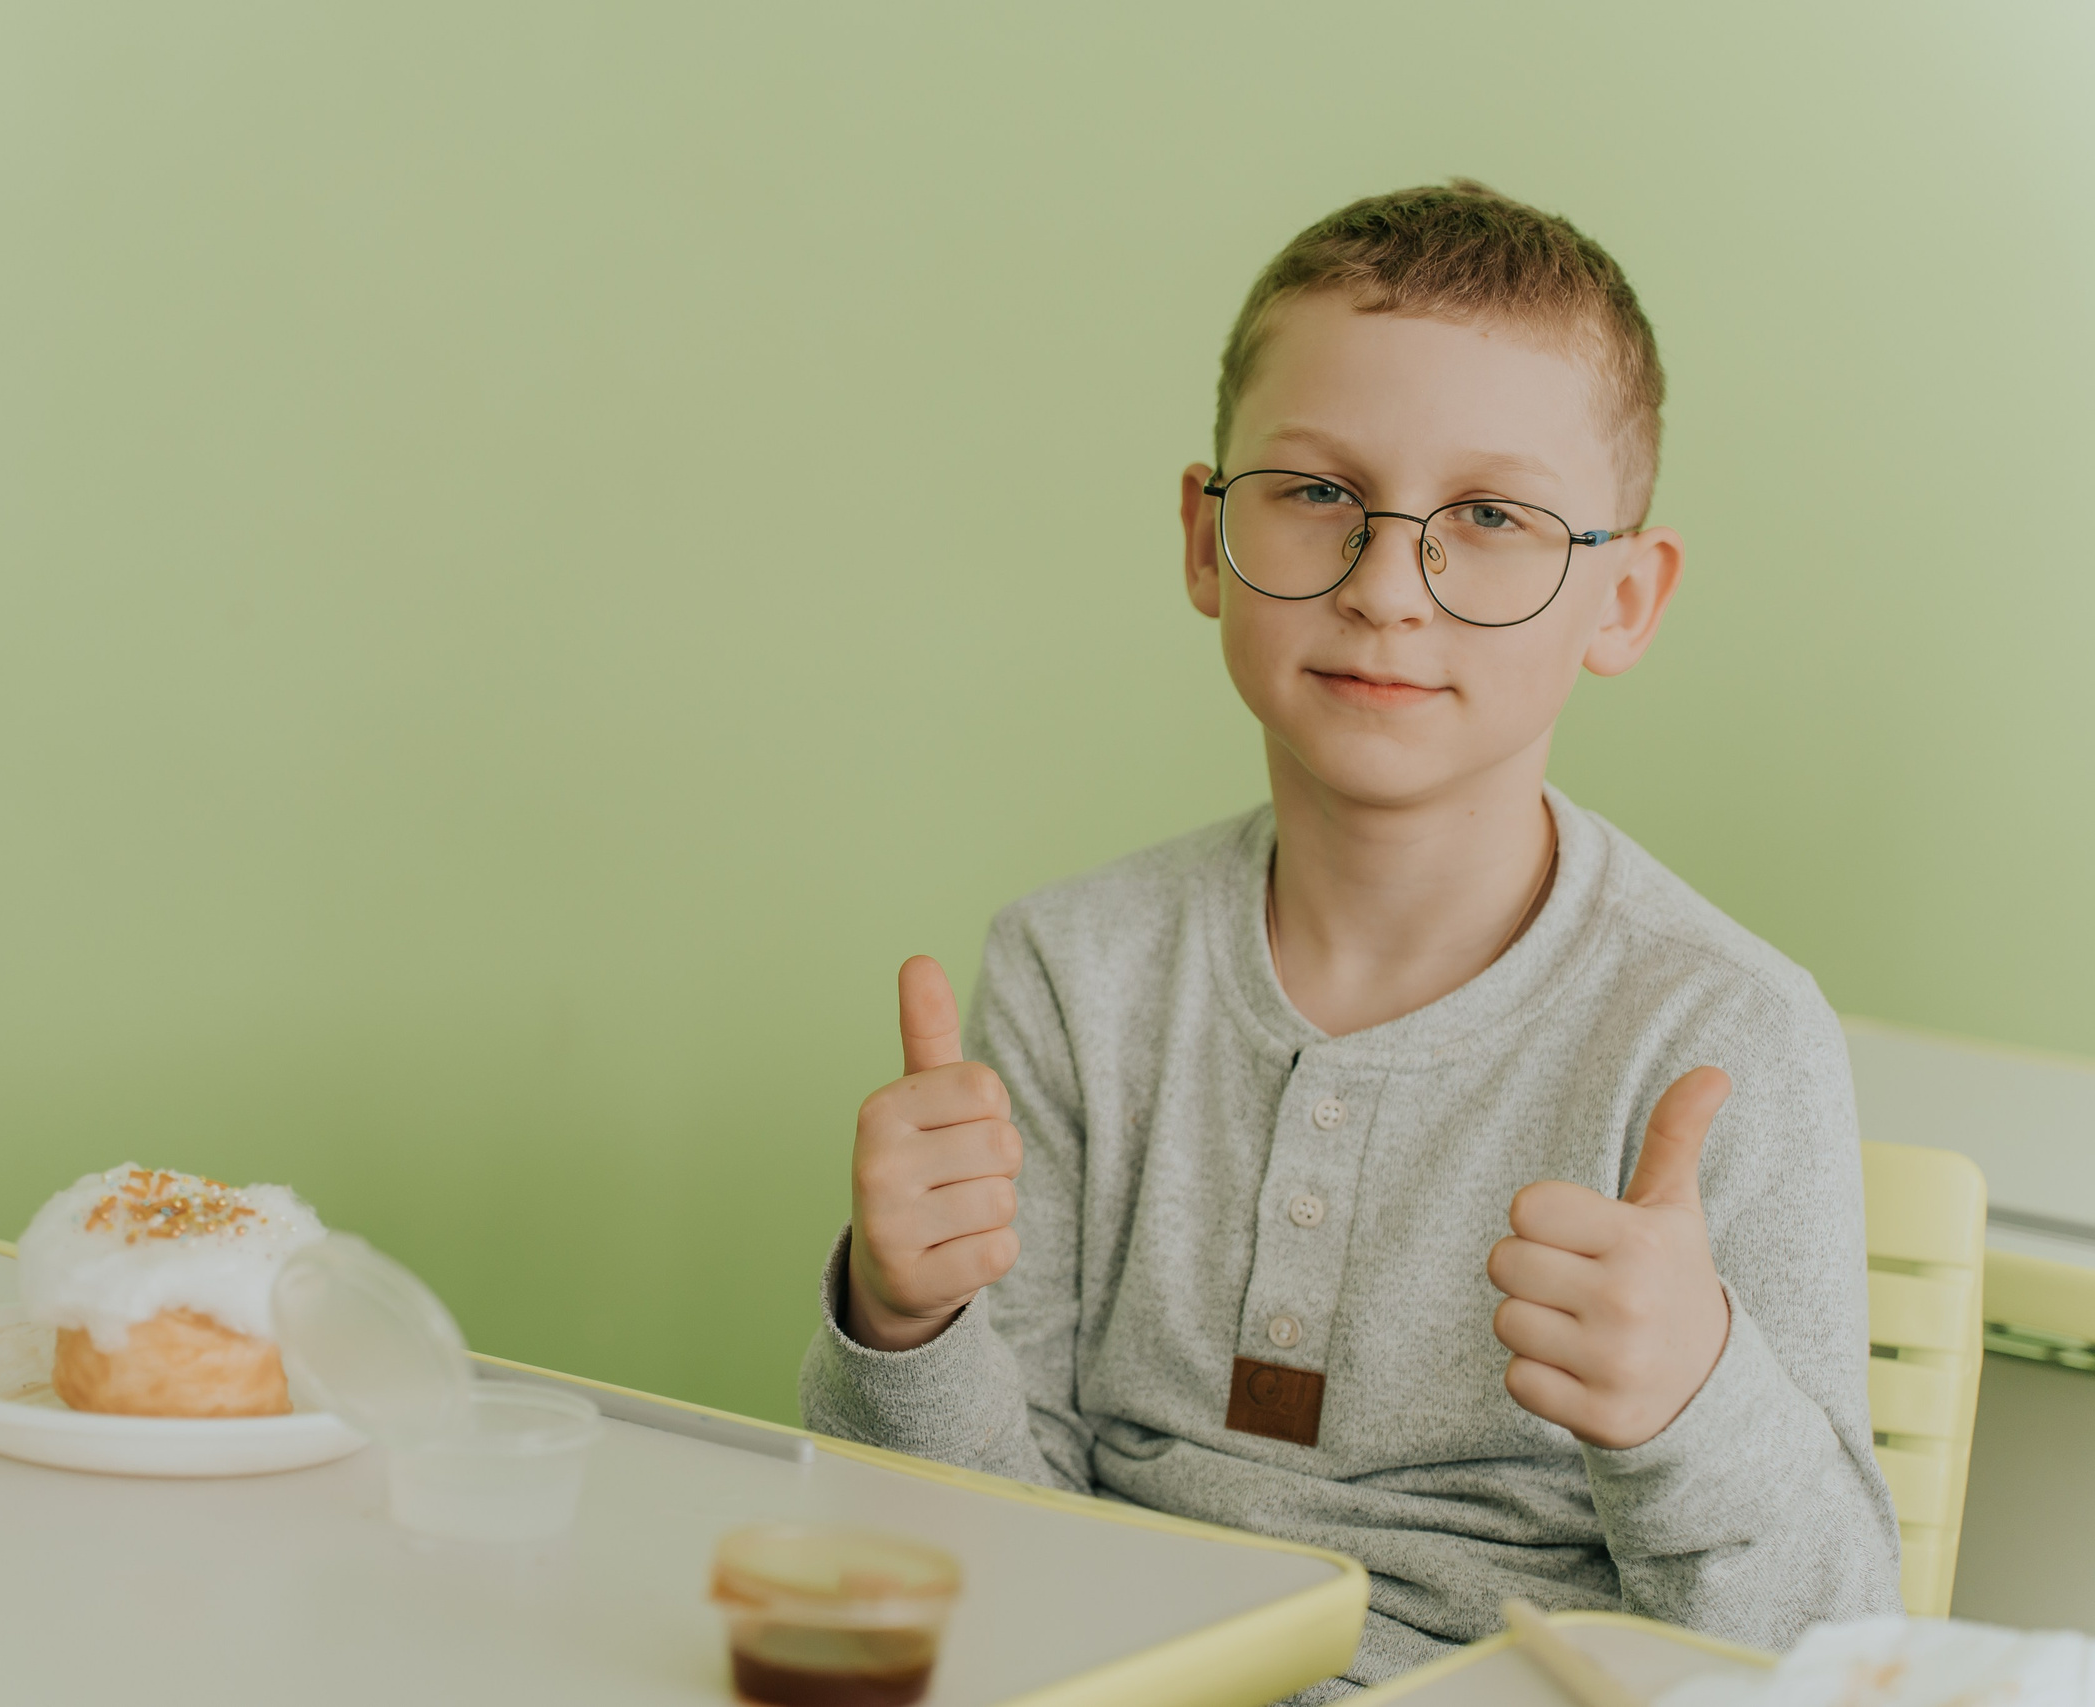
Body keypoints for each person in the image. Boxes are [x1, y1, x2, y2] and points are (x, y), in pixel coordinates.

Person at [799, 181, 1901, 1696]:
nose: (1388, 588)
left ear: (1624, 600)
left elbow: (1834, 1652)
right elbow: (974, 1552)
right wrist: (903, 1324)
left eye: (1493, 519)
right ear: (1205, 537)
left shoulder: (1723, 1035)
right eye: (1319, 493)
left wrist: (1692, 1401)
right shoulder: (1073, 971)